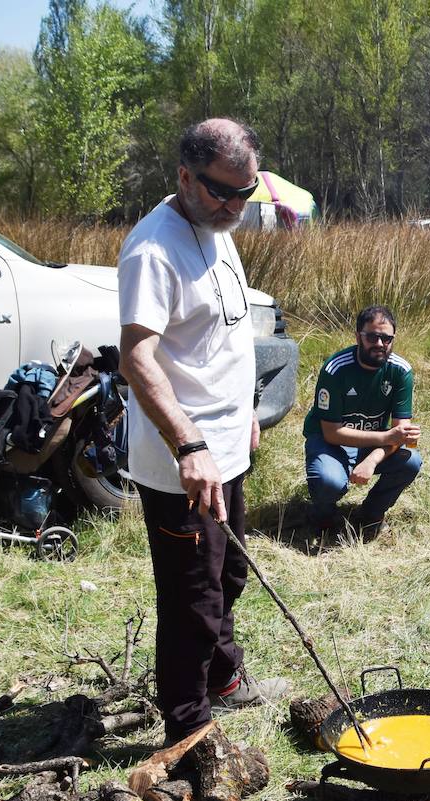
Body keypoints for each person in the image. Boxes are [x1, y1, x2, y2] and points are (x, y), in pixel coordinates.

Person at [118, 118, 288, 745]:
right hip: (181, 461)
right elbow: (136, 356)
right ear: (184, 177)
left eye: (247, 193)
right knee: (192, 598)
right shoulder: (152, 249)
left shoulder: (218, 225)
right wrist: (188, 445)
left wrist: (244, 406)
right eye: (223, 192)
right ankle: (187, 727)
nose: (236, 207)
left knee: (229, 576)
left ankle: (223, 676)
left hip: (226, 444)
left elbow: (224, 333)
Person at [303, 304, 421, 539]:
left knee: (411, 461)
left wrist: (372, 459)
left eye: (386, 338)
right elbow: (331, 433)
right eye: (372, 337)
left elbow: (401, 433)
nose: (379, 344)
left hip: (370, 441)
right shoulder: (335, 369)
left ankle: (370, 513)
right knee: (330, 481)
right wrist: (386, 437)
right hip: (330, 441)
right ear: (358, 336)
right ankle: (324, 516)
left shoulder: (400, 371)